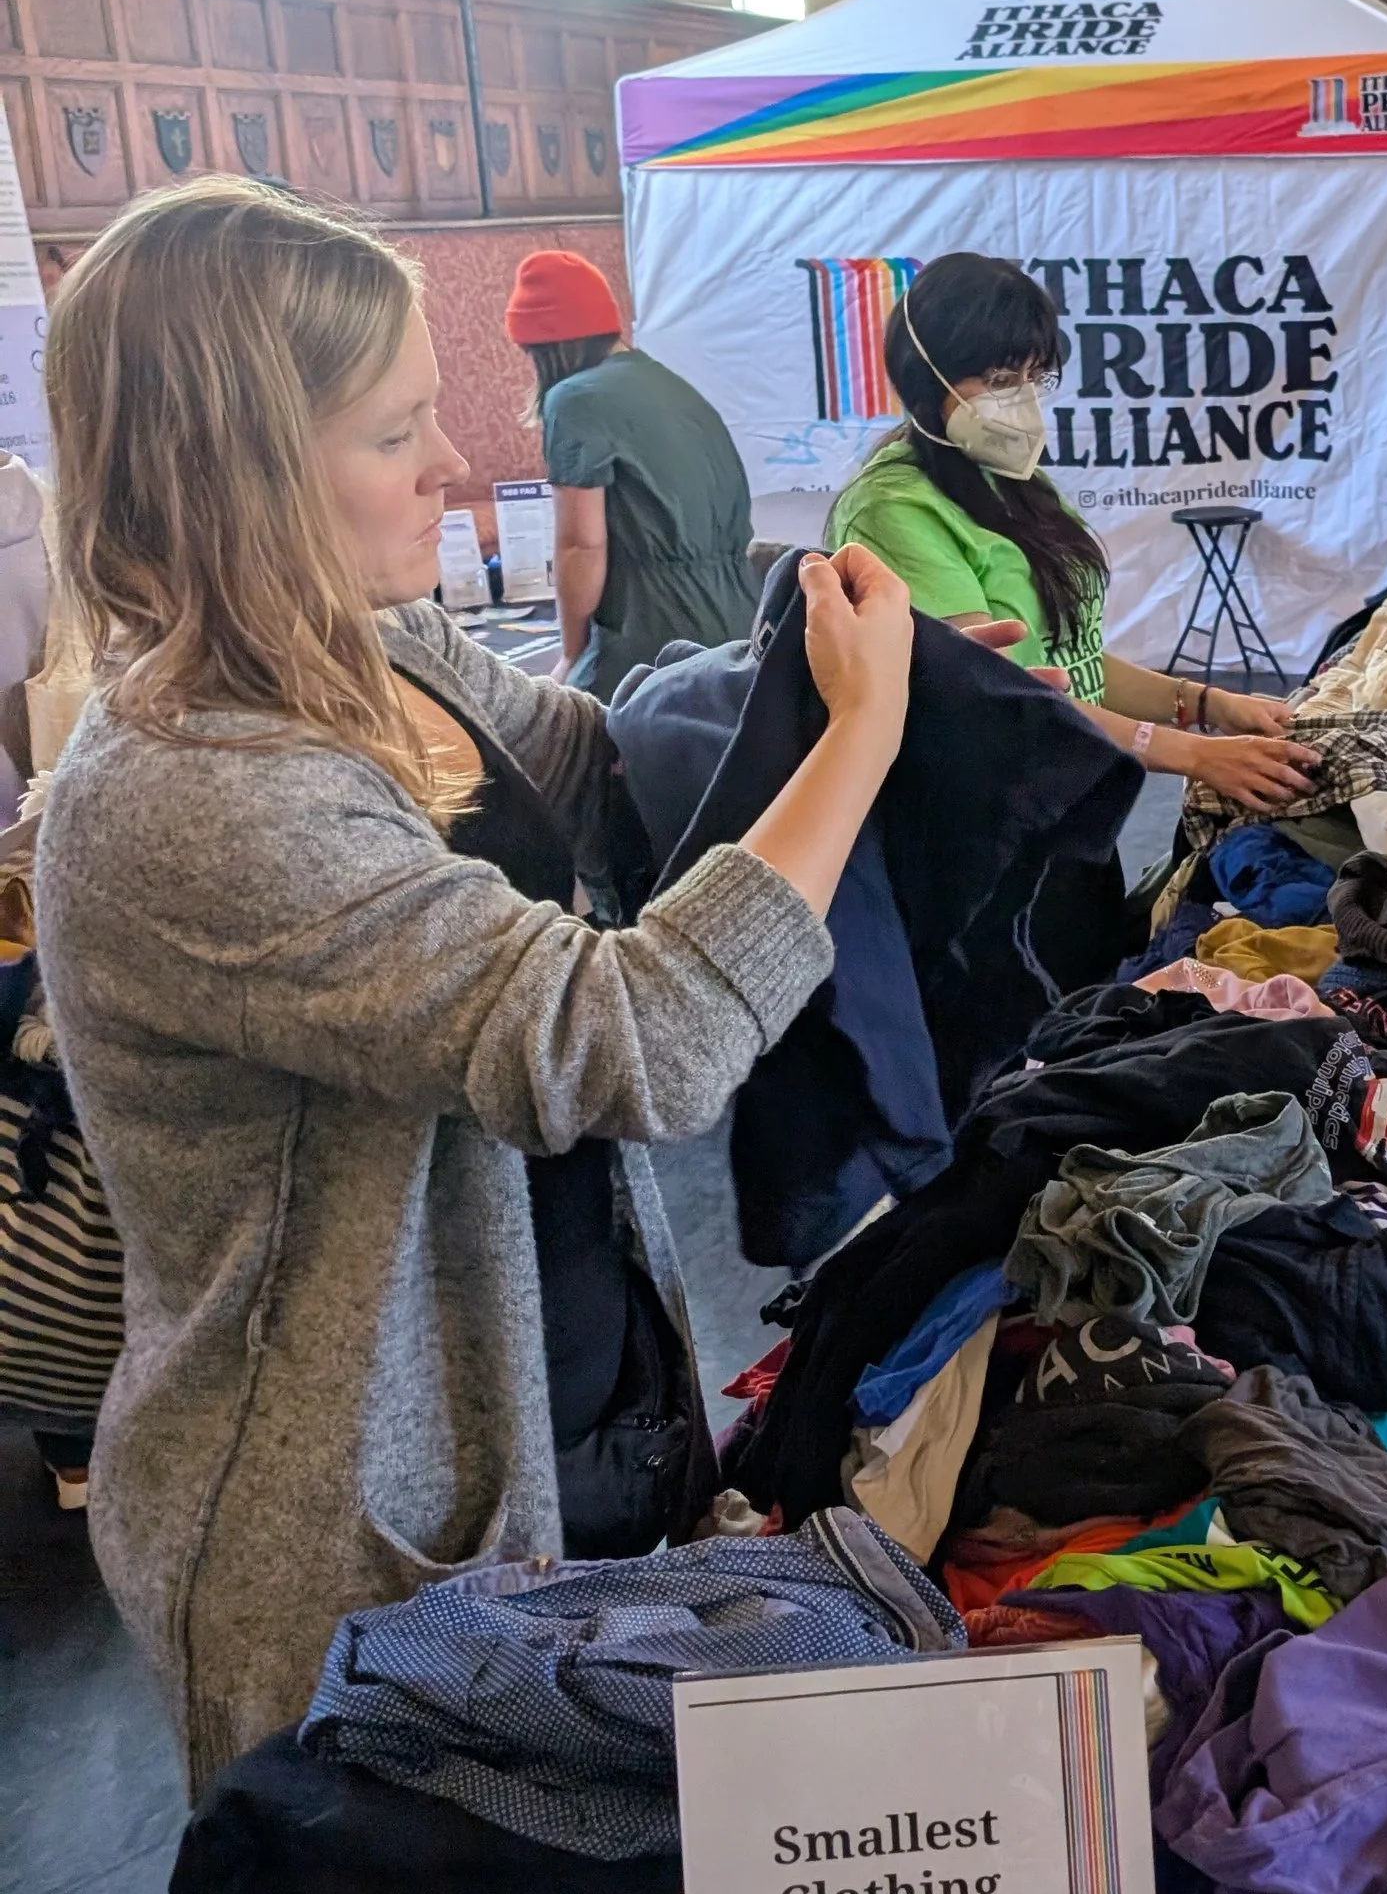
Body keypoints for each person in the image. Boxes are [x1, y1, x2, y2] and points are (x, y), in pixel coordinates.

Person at [34, 183, 917, 1798]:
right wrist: (859, 741)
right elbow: (624, 1040)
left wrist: (808, 678)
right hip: (351, 1538)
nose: (455, 468)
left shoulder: (380, 654)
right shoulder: (195, 790)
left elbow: (605, 769)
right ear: (238, 480)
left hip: (554, 1402)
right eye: (396, 435)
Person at [831, 251, 1319, 817]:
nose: (1024, 397)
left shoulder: (1012, 480)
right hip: (983, 821)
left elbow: (1072, 662)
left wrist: (1207, 703)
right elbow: (999, 692)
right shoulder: (892, 511)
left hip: (1068, 799)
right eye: (998, 378)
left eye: (1035, 376)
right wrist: (1193, 754)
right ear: (924, 375)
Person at [503, 246, 760, 697]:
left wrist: (572, 654)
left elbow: (581, 544)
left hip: (655, 632)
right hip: (741, 622)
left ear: (547, 348)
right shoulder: (673, 386)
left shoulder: (574, 399)